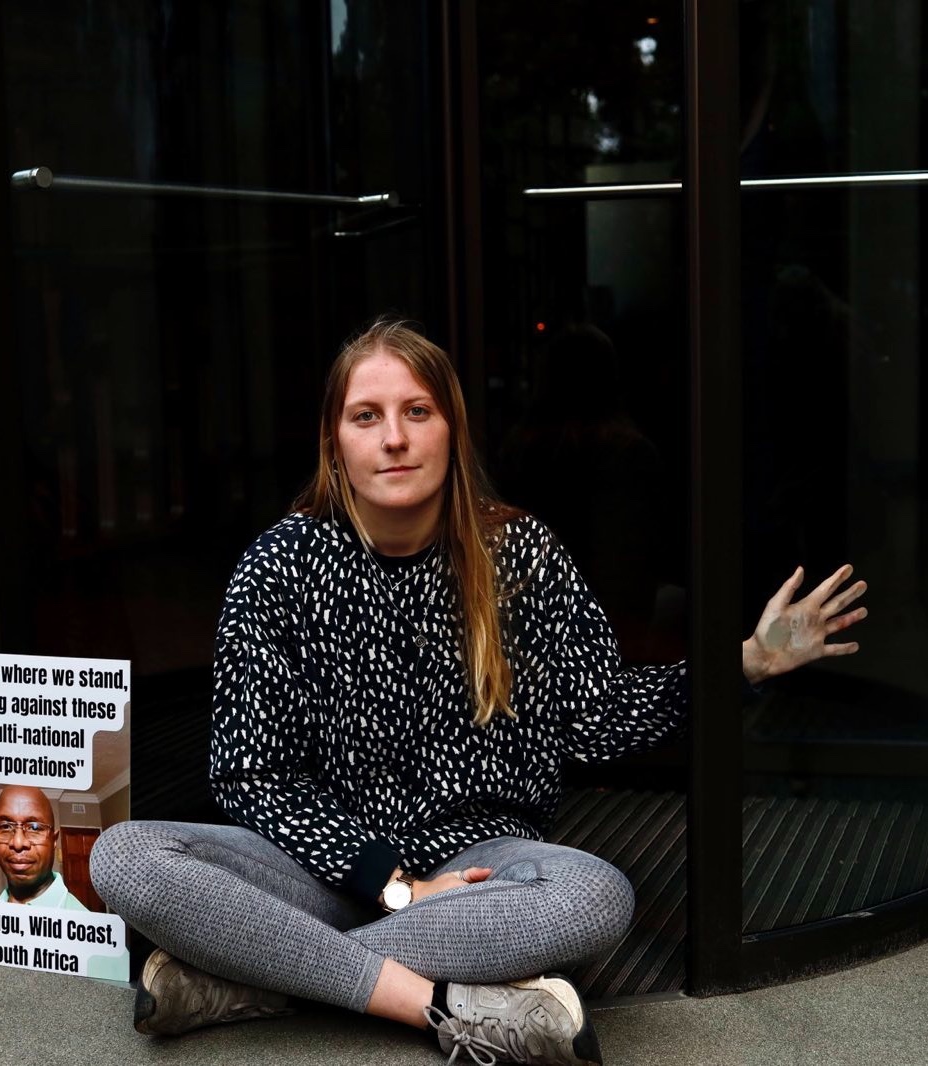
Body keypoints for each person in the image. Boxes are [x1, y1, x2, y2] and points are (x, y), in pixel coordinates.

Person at [89, 320, 867, 1065]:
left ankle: (258, 976)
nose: (394, 437)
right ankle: (433, 1005)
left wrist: (743, 665)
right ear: (336, 444)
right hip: (321, 869)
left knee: (593, 897)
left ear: (451, 429)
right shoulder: (279, 567)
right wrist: (392, 885)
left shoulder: (520, 555)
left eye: (416, 412)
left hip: (479, 873)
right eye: (368, 416)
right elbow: (251, 774)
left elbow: (596, 717)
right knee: (127, 857)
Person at [0, 784, 128, 981]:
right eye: (5, 827)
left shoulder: (101, 945)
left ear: (54, 841)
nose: (18, 843)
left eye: (34, 828)